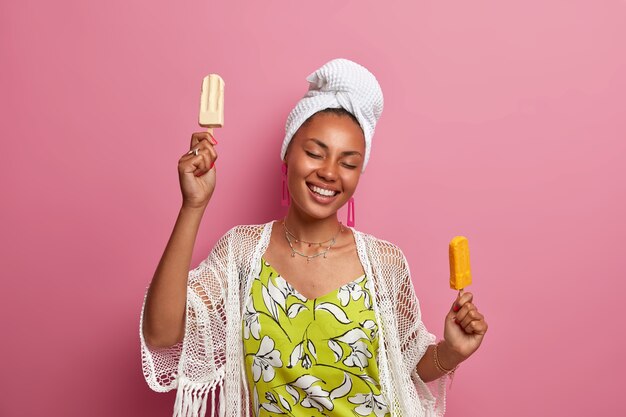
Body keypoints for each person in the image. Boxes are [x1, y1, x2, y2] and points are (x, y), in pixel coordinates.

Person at [140, 58, 488, 417]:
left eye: (348, 163)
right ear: (288, 155)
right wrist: (193, 206)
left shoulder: (384, 263)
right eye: (314, 153)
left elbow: (405, 370)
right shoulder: (242, 253)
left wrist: (452, 351)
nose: (329, 172)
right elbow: (162, 334)